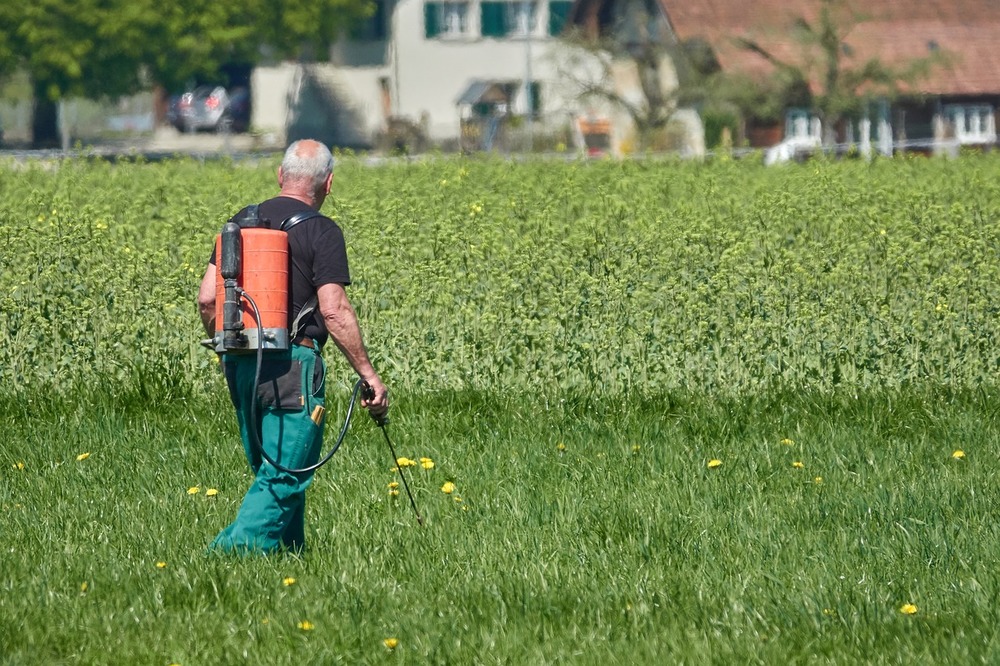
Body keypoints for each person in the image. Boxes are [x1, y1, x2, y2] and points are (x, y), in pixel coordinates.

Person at [197, 139, 389, 555]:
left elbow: (208, 299)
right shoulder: (322, 230)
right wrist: (368, 375)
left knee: (273, 470)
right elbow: (334, 311)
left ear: (281, 176)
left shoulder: (239, 227)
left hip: (242, 360)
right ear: (329, 184)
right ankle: (225, 557)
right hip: (293, 367)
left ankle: (289, 557)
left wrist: (226, 352)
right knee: (285, 473)